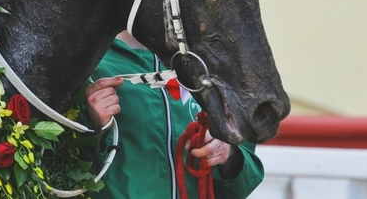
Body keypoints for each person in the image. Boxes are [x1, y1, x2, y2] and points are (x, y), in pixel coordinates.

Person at [84, 31, 264, 199]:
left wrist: (227, 154)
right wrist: (95, 129)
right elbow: (65, 172)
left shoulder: (213, 62)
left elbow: (242, 186)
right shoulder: (88, 58)